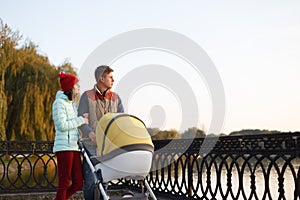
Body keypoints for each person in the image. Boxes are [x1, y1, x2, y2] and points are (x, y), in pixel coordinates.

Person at [78, 65, 124, 200]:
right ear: (101, 78)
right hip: (91, 145)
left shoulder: (116, 98)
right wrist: (90, 133)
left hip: (108, 146)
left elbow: (121, 120)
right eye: (110, 77)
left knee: (104, 180)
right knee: (91, 181)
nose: (113, 80)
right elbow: (81, 120)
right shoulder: (86, 96)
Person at [52, 72, 89, 200]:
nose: (79, 87)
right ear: (70, 87)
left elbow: (72, 125)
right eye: (76, 85)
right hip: (64, 147)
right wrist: (81, 120)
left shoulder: (72, 104)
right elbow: (62, 125)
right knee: (64, 183)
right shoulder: (59, 103)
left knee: (78, 183)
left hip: (73, 146)